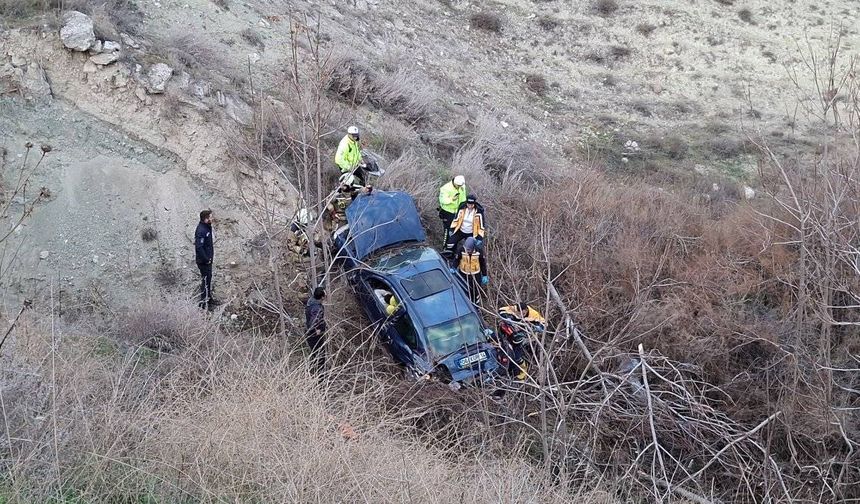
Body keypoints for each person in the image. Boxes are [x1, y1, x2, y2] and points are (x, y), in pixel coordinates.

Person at [498, 302, 546, 380]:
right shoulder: (513, 309)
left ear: (526, 310)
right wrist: (510, 320)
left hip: (526, 334)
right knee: (502, 325)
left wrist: (533, 327)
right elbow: (501, 311)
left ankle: (522, 372)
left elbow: (544, 325)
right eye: (518, 312)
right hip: (513, 330)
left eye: (522, 313)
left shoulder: (534, 314)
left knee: (517, 355)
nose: (520, 314)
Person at [450, 237, 488, 305]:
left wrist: (484, 275)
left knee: (475, 291)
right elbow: (457, 260)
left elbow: (482, 264)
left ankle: (476, 305)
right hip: (464, 274)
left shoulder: (479, 251)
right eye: (467, 249)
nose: (468, 251)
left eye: (469, 250)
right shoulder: (461, 250)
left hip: (475, 274)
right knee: (464, 289)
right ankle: (465, 303)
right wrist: (454, 267)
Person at [194, 209, 219, 309]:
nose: (212, 218)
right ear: (205, 219)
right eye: (210, 217)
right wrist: (206, 259)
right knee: (205, 281)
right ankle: (204, 304)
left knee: (208, 280)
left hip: (208, 260)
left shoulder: (207, 227)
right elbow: (199, 247)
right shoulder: (201, 230)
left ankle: (209, 299)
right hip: (203, 262)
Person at [437, 175, 467, 246]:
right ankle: (445, 247)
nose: (459, 187)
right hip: (448, 213)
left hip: (459, 212)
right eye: (458, 185)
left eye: (460, 185)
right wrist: (451, 199)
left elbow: (463, 198)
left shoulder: (462, 186)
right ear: (454, 183)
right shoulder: (445, 188)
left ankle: (454, 247)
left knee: (457, 230)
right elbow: (442, 200)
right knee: (447, 231)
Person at [305, 287, 327, 375]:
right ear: (322, 297)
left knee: (315, 355)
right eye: (325, 294)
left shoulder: (311, 303)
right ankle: (321, 380)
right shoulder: (317, 308)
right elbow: (313, 322)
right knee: (320, 357)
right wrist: (317, 330)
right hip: (314, 336)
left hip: (310, 335)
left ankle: (313, 375)